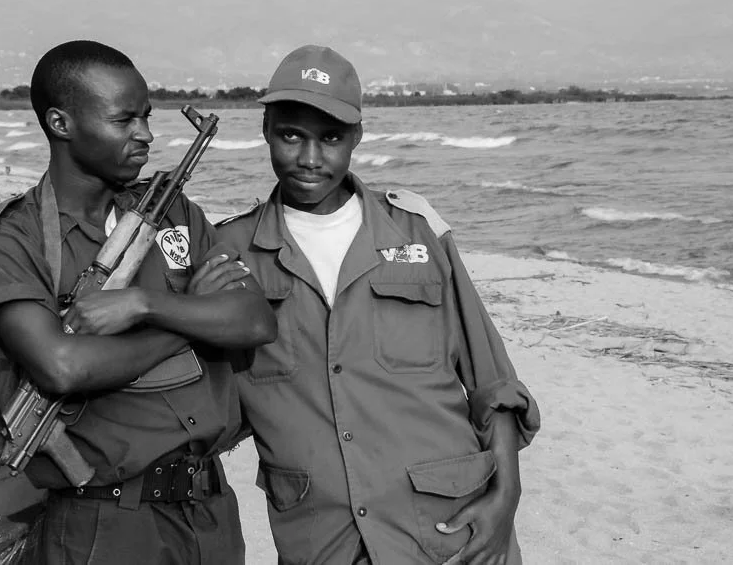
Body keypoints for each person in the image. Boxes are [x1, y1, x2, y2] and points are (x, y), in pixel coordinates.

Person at [217, 45, 540, 565]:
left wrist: (506, 498)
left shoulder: (418, 230)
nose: (309, 158)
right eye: (290, 134)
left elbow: (492, 380)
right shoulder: (231, 252)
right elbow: (209, 406)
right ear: (266, 129)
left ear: (357, 137)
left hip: (449, 530)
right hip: (320, 538)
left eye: (331, 138)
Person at [0, 39, 276, 565]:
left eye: (148, 117)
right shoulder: (7, 239)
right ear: (62, 124)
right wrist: (188, 318)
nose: (145, 135)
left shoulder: (173, 211)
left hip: (208, 511)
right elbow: (62, 367)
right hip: (103, 522)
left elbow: (253, 319)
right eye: (124, 119)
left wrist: (145, 306)